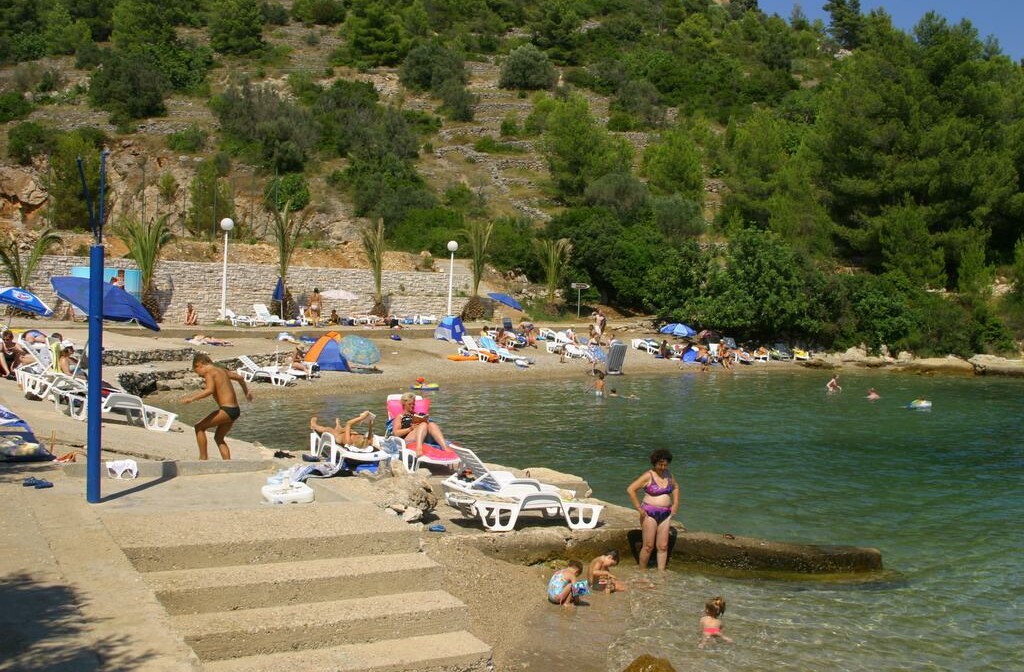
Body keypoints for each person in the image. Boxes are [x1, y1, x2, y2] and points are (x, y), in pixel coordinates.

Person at [181, 352, 253, 460]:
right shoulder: (222, 371)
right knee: (219, 438)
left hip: (227, 410)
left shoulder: (209, 372)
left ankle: (203, 459)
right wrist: (246, 392)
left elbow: (209, 390)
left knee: (199, 427)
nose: (200, 376)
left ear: (200, 364)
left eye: (198, 373)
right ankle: (228, 463)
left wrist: (191, 399)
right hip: (235, 411)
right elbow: (240, 378)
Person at [626, 449, 680, 571]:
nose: (663, 467)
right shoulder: (648, 475)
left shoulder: (669, 474)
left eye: (665, 464)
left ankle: (661, 574)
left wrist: (675, 504)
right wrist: (639, 508)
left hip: (665, 514)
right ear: (654, 463)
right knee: (648, 546)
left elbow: (676, 488)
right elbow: (631, 489)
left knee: (663, 546)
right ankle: (642, 571)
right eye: (660, 464)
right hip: (649, 513)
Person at [391, 391, 451, 455]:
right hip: (408, 439)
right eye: (409, 404)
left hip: (423, 436)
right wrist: (410, 429)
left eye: (413, 404)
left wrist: (426, 421)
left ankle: (445, 447)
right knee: (423, 424)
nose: (412, 406)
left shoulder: (418, 415)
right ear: (404, 404)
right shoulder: (400, 416)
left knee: (431, 424)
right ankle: (419, 448)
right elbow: (395, 433)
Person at [310, 411, 375, 449]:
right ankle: (338, 426)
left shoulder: (349, 442)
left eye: (358, 437)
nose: (361, 435)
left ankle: (314, 425)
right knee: (351, 431)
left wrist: (362, 418)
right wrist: (370, 425)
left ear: (355, 442)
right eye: (362, 436)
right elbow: (370, 437)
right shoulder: (366, 442)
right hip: (344, 433)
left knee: (328, 429)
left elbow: (348, 424)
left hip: (338, 437)